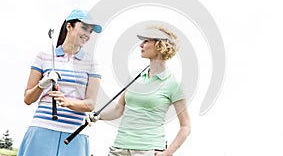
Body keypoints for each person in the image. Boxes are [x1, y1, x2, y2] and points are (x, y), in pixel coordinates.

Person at [85, 25, 191, 156]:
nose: (141, 45)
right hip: (119, 148)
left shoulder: (173, 84)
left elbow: (185, 127)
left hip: (147, 150)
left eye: (146, 41)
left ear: (159, 45)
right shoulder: (135, 76)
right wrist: (98, 116)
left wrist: (167, 153)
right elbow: (118, 110)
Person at [18, 9, 102, 156]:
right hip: (42, 129)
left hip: (74, 134)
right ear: (69, 26)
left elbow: (90, 104)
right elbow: (28, 99)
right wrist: (42, 84)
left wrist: (67, 101)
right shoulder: (44, 56)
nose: (87, 35)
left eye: (90, 31)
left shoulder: (91, 63)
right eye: (83, 28)